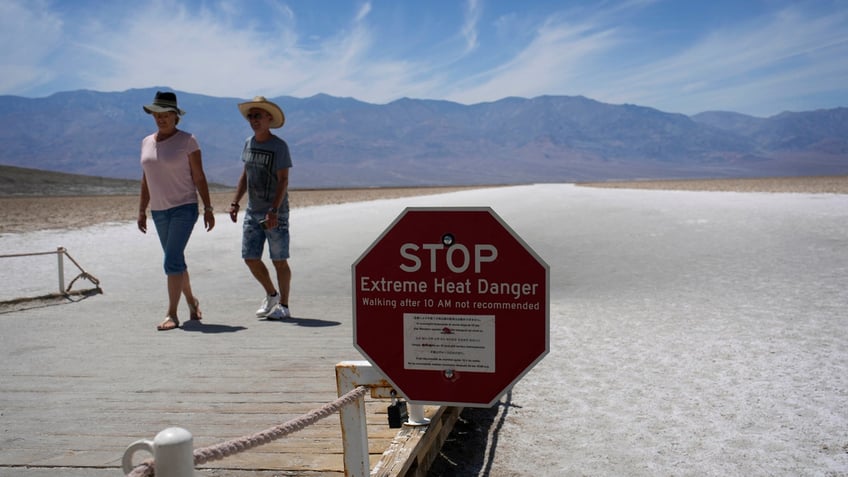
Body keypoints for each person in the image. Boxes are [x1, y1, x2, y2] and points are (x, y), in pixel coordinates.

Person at [137, 91, 215, 331]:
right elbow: (146, 178)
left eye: (166, 114)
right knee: (176, 261)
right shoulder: (146, 142)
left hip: (184, 207)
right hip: (159, 211)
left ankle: (172, 314)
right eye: (157, 115)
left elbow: (199, 176)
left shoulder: (188, 140)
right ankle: (192, 302)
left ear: (175, 116)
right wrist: (142, 209)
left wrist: (208, 207)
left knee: (171, 260)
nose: (161, 119)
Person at [228, 96, 293, 320]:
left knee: (279, 259)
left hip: (275, 212)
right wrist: (236, 202)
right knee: (250, 257)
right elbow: (245, 174)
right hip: (253, 211)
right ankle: (271, 294)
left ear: (269, 118)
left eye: (258, 116)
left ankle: (284, 305)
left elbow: (283, 180)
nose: (254, 120)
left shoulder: (279, 146)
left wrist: (274, 209)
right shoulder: (249, 143)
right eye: (251, 116)